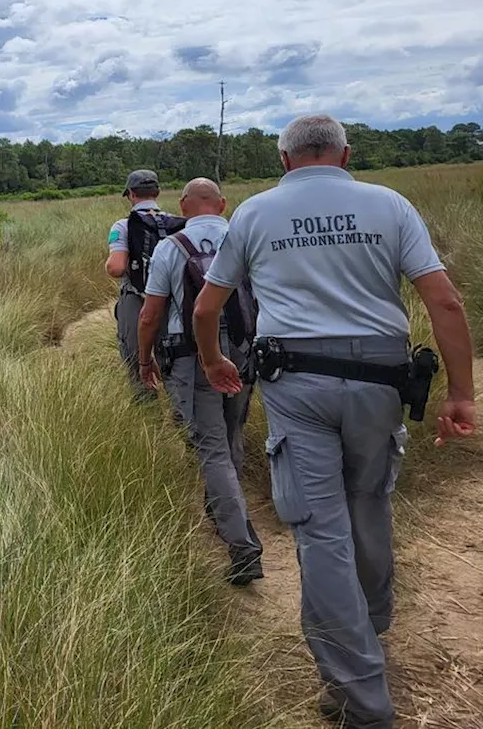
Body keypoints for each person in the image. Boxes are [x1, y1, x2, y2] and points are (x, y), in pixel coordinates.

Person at [193, 114, 476, 729]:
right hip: (381, 379)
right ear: (346, 155)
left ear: (284, 159)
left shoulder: (255, 213)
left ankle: (360, 699)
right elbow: (445, 300)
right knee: (369, 504)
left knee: (319, 530)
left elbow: (207, 304)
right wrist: (462, 393)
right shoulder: (390, 205)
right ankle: (371, 629)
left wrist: (214, 360)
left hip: (296, 382)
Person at [136, 177, 263, 585]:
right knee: (232, 436)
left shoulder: (169, 248)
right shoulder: (247, 238)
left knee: (211, 448)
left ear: (184, 206)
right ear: (223, 204)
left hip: (193, 358)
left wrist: (144, 360)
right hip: (243, 352)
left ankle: (242, 546)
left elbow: (150, 315)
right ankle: (227, 508)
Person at [106, 169, 179, 402]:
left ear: (130, 194)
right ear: (157, 192)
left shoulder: (123, 226)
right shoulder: (175, 223)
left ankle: (147, 405)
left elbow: (116, 268)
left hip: (137, 298)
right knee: (173, 355)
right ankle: (179, 407)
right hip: (172, 299)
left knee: (135, 354)